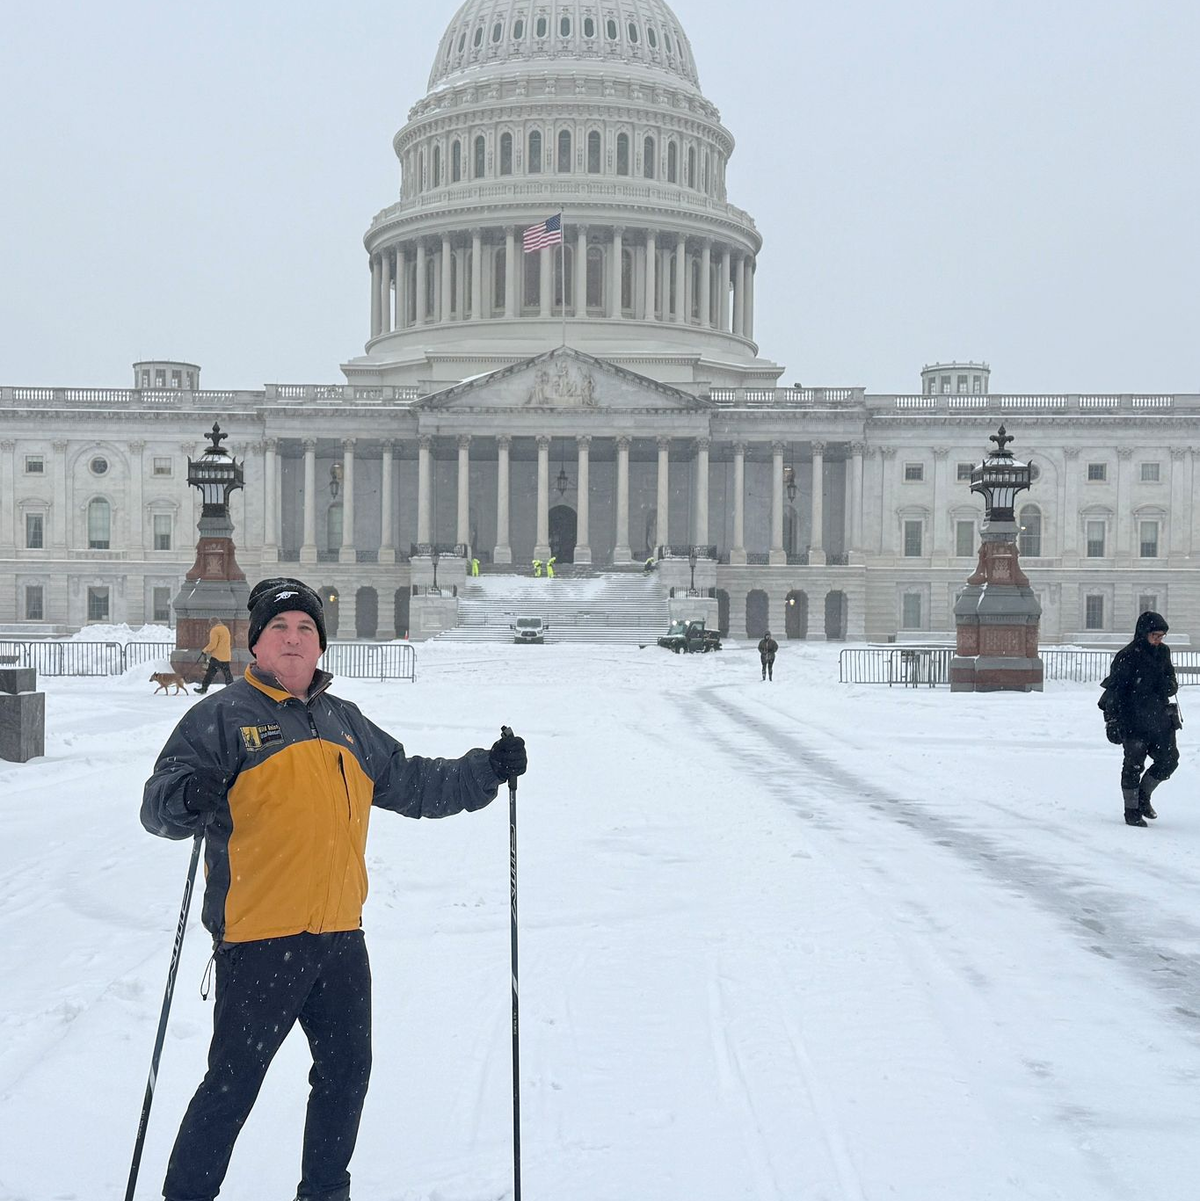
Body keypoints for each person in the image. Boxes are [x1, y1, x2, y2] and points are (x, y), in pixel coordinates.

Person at [141, 576, 527, 1201]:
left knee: (346, 1075)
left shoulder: (345, 723)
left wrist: (486, 769)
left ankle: (324, 1193)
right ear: (256, 643)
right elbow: (157, 806)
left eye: (305, 630)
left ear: (320, 646)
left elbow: (413, 783)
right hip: (260, 939)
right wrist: (186, 796)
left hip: (340, 940)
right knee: (233, 1086)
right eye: (279, 630)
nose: (293, 640)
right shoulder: (222, 716)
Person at [1100, 610, 1180, 827]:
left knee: (1169, 760)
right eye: (1155, 635)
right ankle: (1131, 809)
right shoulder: (1127, 655)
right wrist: (1112, 720)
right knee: (1133, 765)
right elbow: (1114, 690)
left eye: (1162, 636)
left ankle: (1143, 797)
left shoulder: (1163, 652)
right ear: (1144, 633)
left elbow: (1171, 680)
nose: (1158, 640)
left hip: (1160, 718)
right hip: (1133, 718)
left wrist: (1169, 685)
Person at [194, 617, 233, 693]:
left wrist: (205, 650)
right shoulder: (225, 629)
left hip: (217, 656)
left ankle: (204, 688)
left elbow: (213, 644)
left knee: (210, 673)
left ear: (212, 623)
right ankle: (231, 688)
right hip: (226, 656)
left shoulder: (215, 630)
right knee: (227, 674)